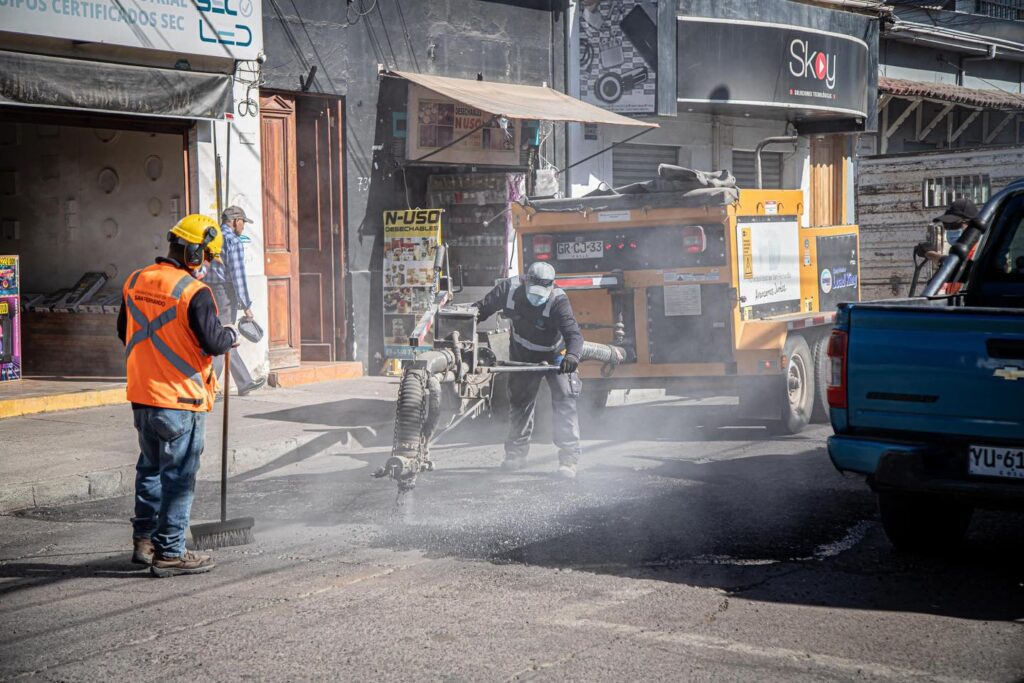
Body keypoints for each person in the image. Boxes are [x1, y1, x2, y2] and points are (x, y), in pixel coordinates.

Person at [117, 214, 238, 577]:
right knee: (179, 476)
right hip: (180, 399)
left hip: (143, 394)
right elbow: (214, 342)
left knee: (150, 469)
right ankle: (170, 550)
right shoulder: (193, 292)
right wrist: (232, 335)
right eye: (208, 256)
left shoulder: (135, 280)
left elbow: (124, 331)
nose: (208, 264)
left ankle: (144, 542)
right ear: (194, 253)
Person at [474, 262, 584, 478]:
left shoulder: (558, 300)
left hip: (555, 354)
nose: (536, 298)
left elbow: (573, 334)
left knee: (565, 398)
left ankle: (569, 459)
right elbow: (480, 310)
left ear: (552, 286)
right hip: (522, 353)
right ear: (525, 281)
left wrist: (572, 356)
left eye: (542, 293)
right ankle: (515, 455)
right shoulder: (508, 290)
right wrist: (460, 324)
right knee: (520, 402)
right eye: (533, 292)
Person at [205, 205, 264, 396]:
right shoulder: (233, 241)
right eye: (243, 222)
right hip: (224, 293)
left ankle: (244, 382)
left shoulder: (211, 237)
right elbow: (238, 276)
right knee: (222, 338)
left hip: (207, 290)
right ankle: (210, 389)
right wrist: (246, 305)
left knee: (225, 337)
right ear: (236, 221)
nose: (243, 226)